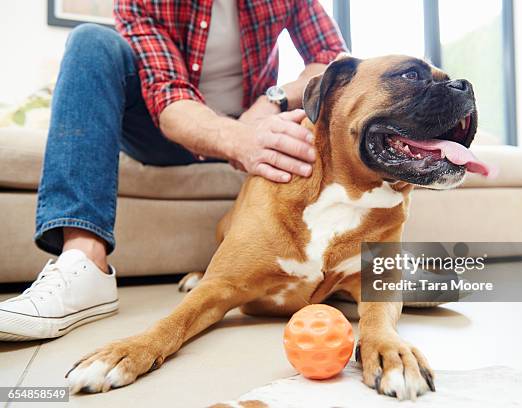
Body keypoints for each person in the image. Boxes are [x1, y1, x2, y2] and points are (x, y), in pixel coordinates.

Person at [0, 0, 346, 341]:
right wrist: (240, 138)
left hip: (255, 117)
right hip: (166, 129)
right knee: (92, 41)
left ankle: (368, 274)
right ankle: (84, 262)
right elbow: (169, 96)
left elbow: (334, 57)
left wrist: (273, 100)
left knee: (325, 108)